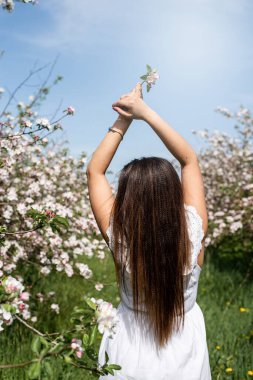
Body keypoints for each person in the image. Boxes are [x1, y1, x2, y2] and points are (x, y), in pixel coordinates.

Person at [86, 83, 212, 379]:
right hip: (185, 349)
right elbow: (189, 160)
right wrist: (145, 113)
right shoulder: (193, 233)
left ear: (127, 199)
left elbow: (95, 171)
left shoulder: (120, 239)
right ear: (173, 193)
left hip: (129, 347)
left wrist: (125, 118)